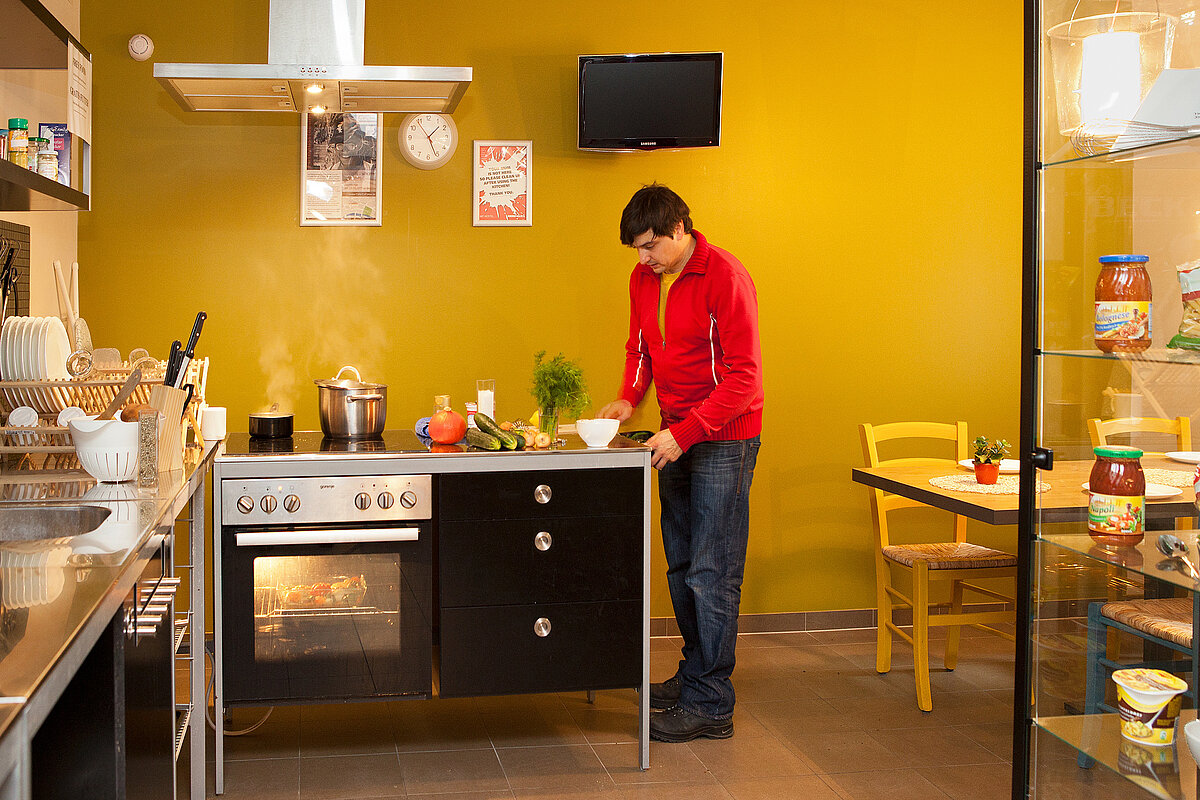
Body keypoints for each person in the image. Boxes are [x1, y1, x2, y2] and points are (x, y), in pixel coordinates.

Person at [599, 183, 764, 743]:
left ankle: (713, 703)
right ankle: (694, 676)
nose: (643, 259)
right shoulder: (645, 279)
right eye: (637, 251)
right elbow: (640, 348)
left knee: (711, 571)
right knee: (680, 565)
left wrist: (687, 432)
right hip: (675, 434)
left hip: (723, 437)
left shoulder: (726, 276)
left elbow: (745, 378)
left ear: (678, 230)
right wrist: (629, 396)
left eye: (649, 246)